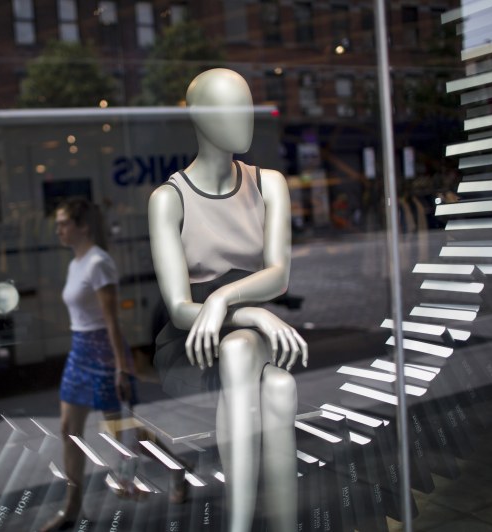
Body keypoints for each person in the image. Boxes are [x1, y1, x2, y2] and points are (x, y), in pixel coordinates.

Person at [148, 68, 308, 531]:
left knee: (268, 375)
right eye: (228, 106)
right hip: (191, 344)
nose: (245, 116)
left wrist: (225, 300)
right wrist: (249, 311)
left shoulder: (268, 183)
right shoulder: (169, 199)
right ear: (199, 117)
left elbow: (278, 275)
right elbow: (179, 309)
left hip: (245, 340)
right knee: (269, 377)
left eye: (247, 103)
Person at [41, 198, 136, 531]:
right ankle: (71, 509)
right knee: (69, 430)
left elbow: (112, 321)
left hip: (102, 352)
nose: (59, 229)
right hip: (79, 350)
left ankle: (178, 467)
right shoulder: (75, 262)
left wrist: (120, 367)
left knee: (120, 431)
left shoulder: (99, 263)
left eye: (64, 223)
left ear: (83, 226)